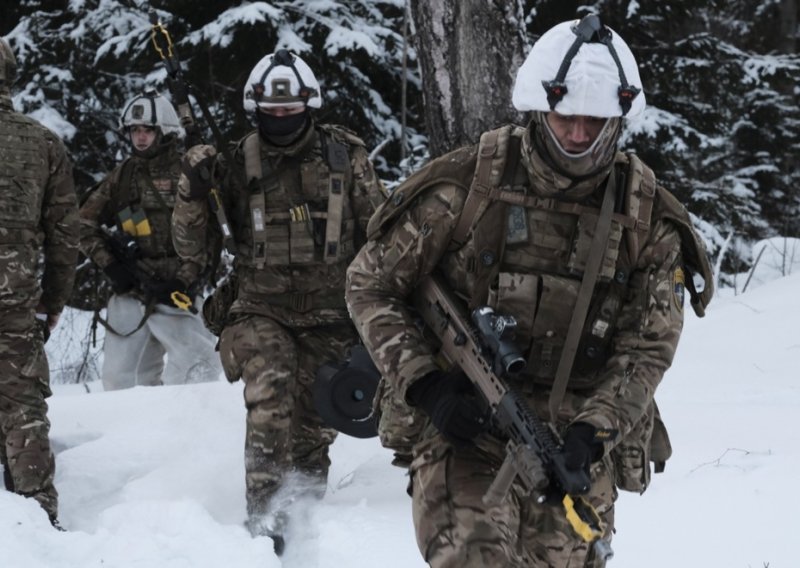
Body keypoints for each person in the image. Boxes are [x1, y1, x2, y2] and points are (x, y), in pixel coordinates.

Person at [345, 15, 714, 567]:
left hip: (576, 438)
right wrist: (426, 385)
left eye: (596, 121)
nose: (579, 135)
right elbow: (370, 283)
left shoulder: (646, 220)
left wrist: (594, 432)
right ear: (541, 107)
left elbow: (647, 348)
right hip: (465, 421)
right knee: (472, 554)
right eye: (567, 118)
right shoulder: (470, 184)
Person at [172, 49, 387, 545]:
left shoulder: (345, 156)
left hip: (333, 314)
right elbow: (191, 250)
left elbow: (382, 230)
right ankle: (263, 522)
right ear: (256, 109)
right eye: (272, 111)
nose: (281, 119)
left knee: (314, 427)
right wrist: (190, 191)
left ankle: (305, 525)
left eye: (290, 111)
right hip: (259, 308)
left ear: (308, 106)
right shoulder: (232, 161)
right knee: (272, 393)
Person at [79, 90, 222, 391]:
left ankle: (186, 431)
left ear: (164, 131)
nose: (140, 137)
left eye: (147, 130)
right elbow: (81, 224)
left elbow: (209, 234)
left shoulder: (190, 172)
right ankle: (122, 436)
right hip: (132, 291)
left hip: (179, 293)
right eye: (135, 130)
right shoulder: (122, 176)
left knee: (200, 370)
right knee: (121, 380)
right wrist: (111, 267)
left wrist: (185, 279)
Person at [0, 37, 80, 527]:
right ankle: (38, 520)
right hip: (16, 294)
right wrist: (53, 302)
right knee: (22, 404)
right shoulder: (42, 142)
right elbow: (64, 234)